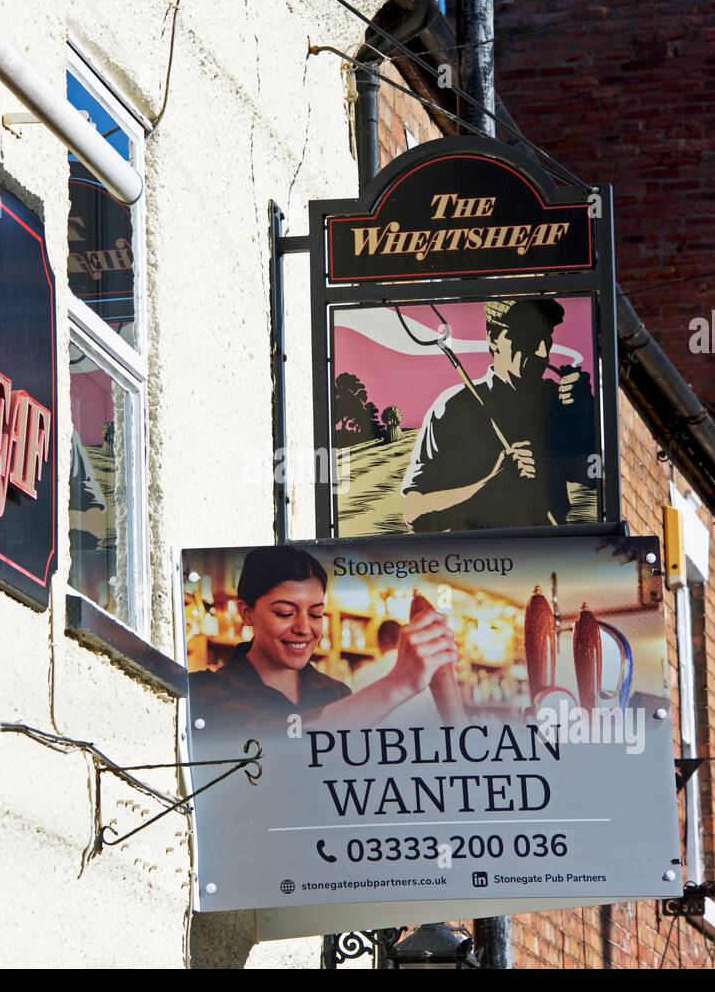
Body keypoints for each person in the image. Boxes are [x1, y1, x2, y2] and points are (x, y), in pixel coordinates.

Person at [189, 546, 457, 734]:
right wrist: (398, 683)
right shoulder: (206, 691)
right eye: (285, 612)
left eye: (316, 613)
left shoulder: (336, 693)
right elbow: (276, 741)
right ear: (246, 612)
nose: (304, 628)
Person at [400, 298, 596, 531]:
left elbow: (594, 478)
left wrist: (585, 412)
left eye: (547, 338)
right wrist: (488, 485)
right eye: (530, 336)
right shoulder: (453, 407)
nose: (542, 352)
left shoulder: (560, 403)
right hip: (476, 561)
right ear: (493, 339)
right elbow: (414, 513)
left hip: (547, 558)